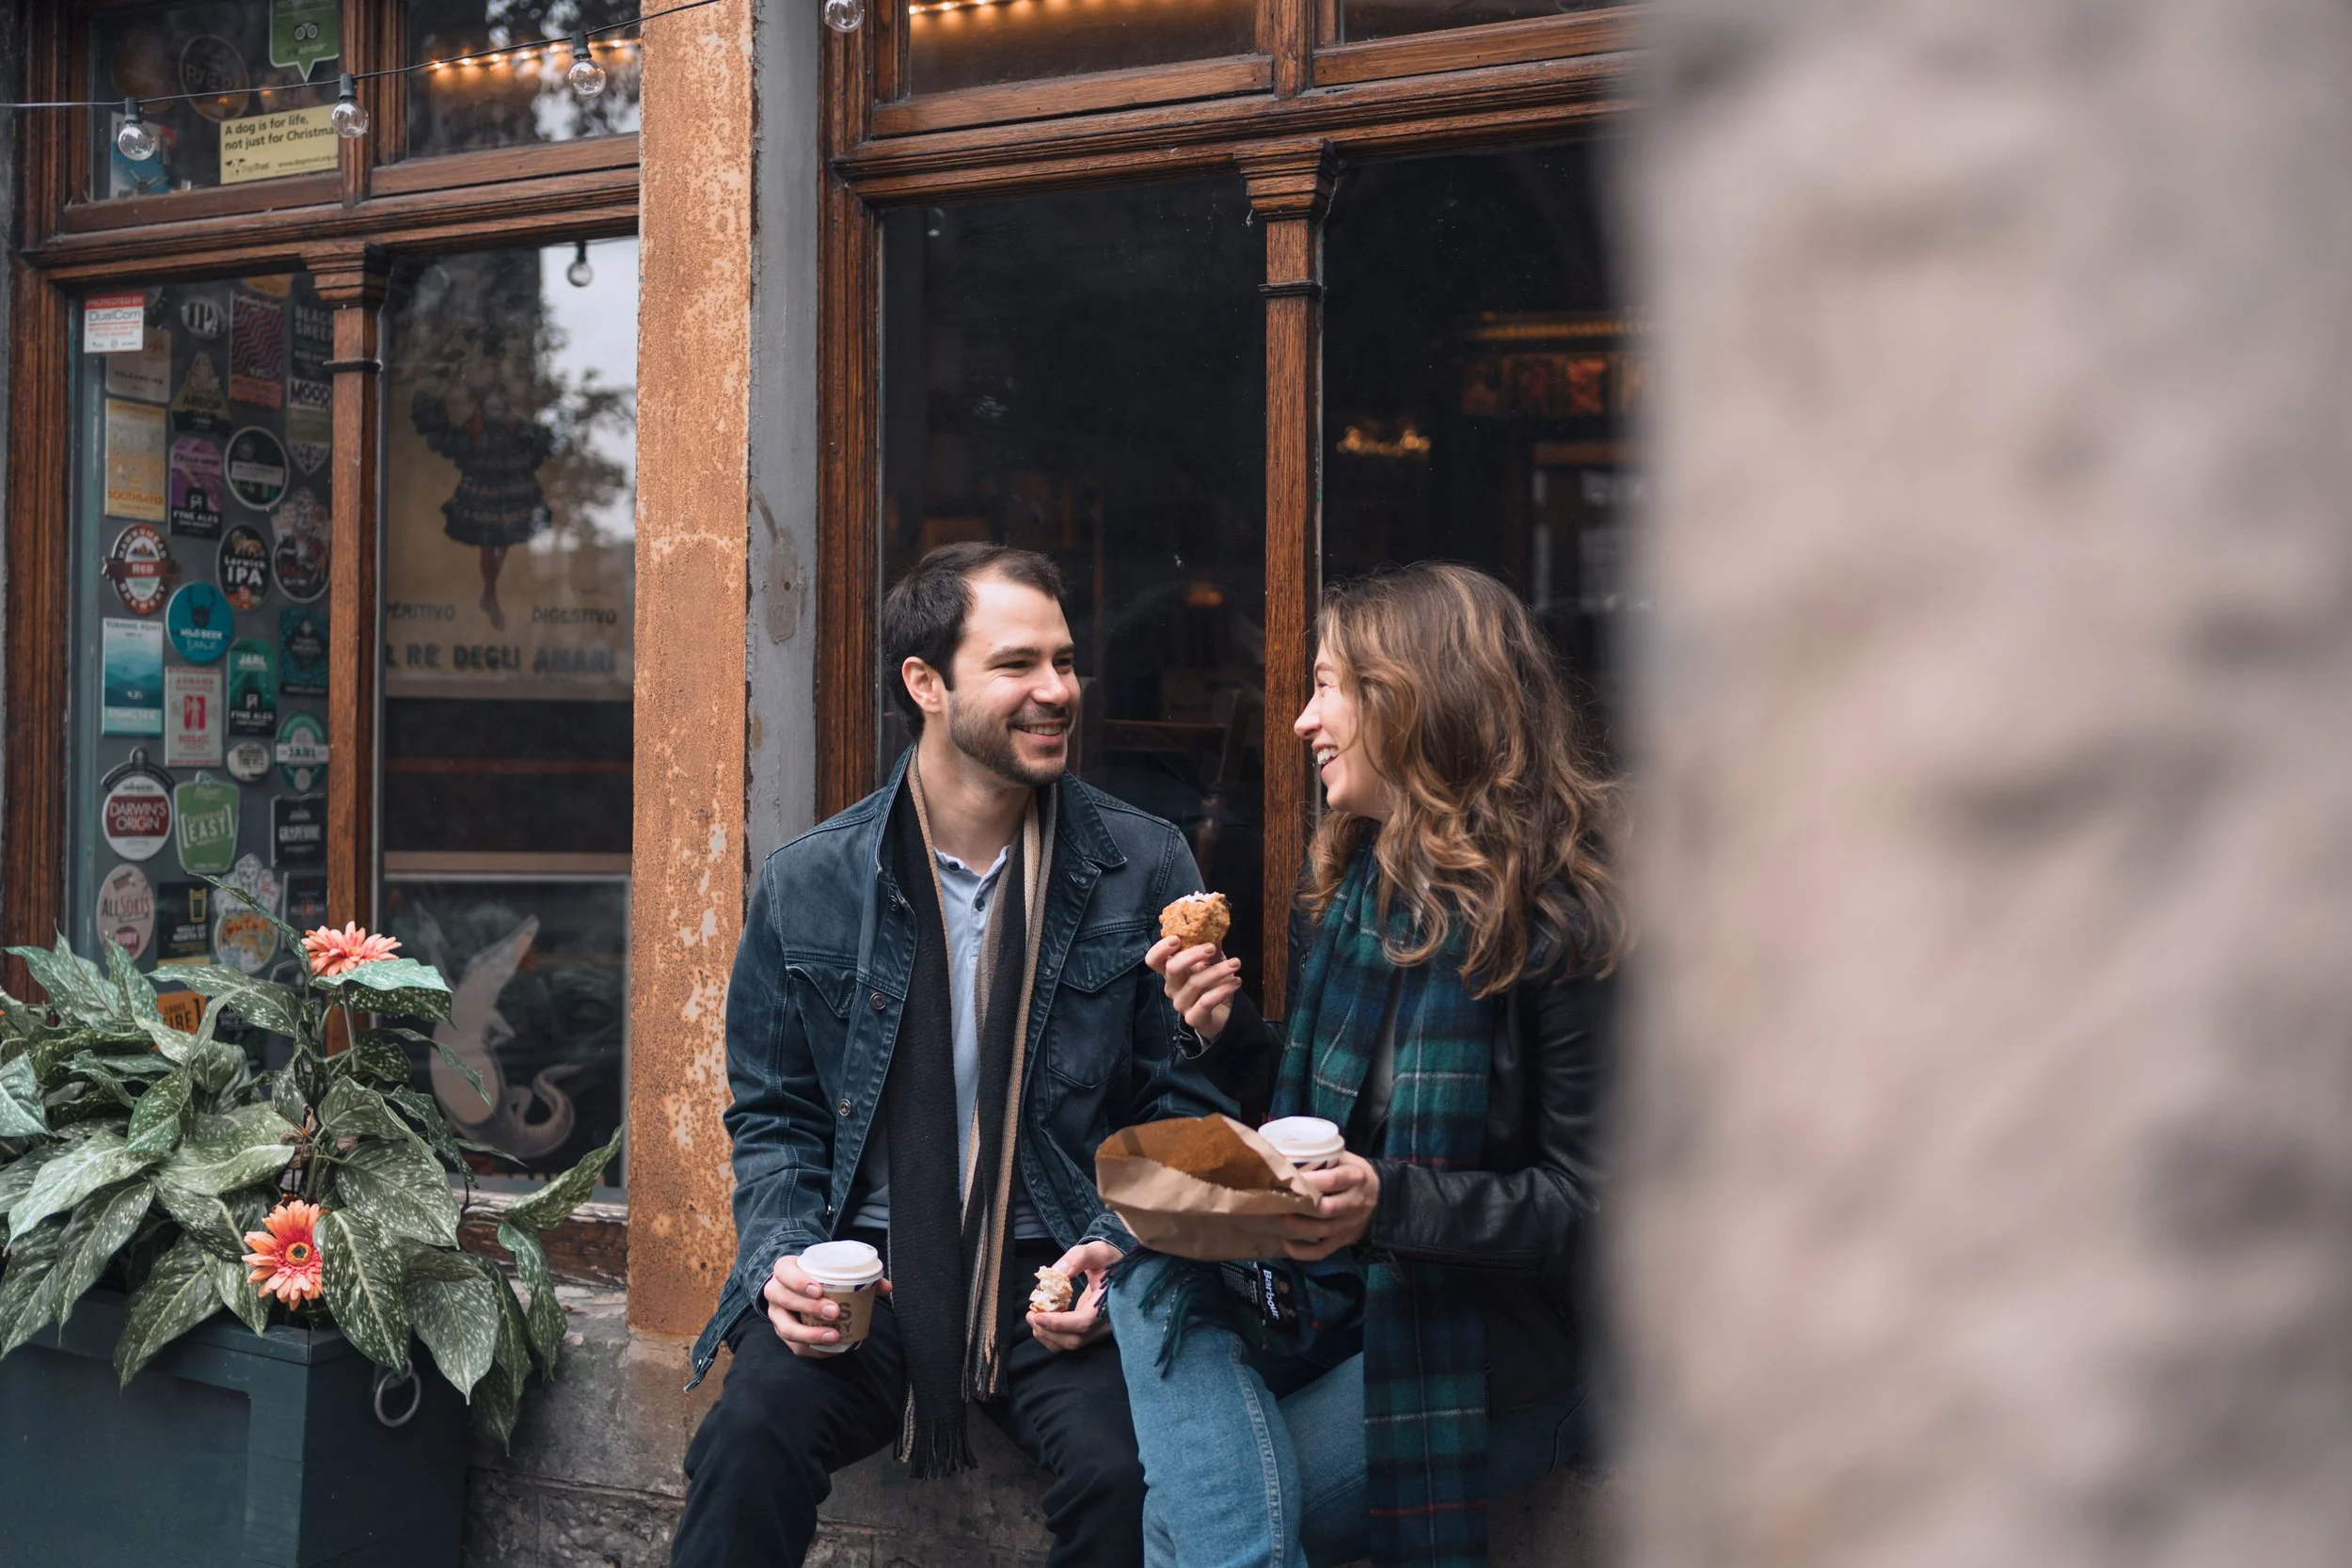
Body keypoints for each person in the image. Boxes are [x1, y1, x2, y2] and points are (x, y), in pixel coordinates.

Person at [672, 543, 1226, 1568]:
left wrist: (1115, 1245)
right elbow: (775, 1116)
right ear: (925, 683)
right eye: (1018, 664)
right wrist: (780, 1261)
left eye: (1065, 662)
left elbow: (1177, 1099)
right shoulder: (810, 882)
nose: (1057, 690)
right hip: (867, 1264)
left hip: (1056, 1255)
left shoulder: (1143, 863)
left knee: (1128, 1472)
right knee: (748, 1435)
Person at [1111, 562, 1628, 1568]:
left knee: (1190, 1520)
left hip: (1494, 1349)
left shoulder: (1559, 923)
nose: (1300, 719)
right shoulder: (1352, 890)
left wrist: (1383, 1204)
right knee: (1143, 1276)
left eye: (1327, 686)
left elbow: (1589, 1202)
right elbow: (1315, 1126)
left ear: (1416, 699)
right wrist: (1229, 1036)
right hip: (1339, 1296)